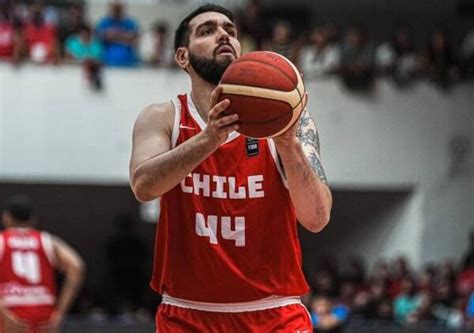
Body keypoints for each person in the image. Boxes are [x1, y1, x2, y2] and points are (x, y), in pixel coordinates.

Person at [129, 4, 332, 332]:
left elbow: (317, 218)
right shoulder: (163, 117)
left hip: (274, 313)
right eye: (206, 31)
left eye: (230, 30)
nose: (223, 34)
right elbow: (144, 186)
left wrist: (288, 145)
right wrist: (209, 138)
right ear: (183, 57)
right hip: (187, 314)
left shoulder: (287, 122)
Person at [0, 195, 85, 333]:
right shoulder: (47, 240)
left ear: (7, 217)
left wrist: (2, 311)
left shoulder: (2, 240)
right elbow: (77, 267)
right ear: (32, 219)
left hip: (11, 308)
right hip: (43, 310)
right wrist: (60, 313)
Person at [96, 1, 139, 67]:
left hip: (128, 62)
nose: (116, 10)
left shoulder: (130, 23)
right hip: (107, 62)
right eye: (115, 7)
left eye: (119, 7)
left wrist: (113, 35)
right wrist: (124, 36)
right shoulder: (104, 22)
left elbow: (133, 39)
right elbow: (101, 37)